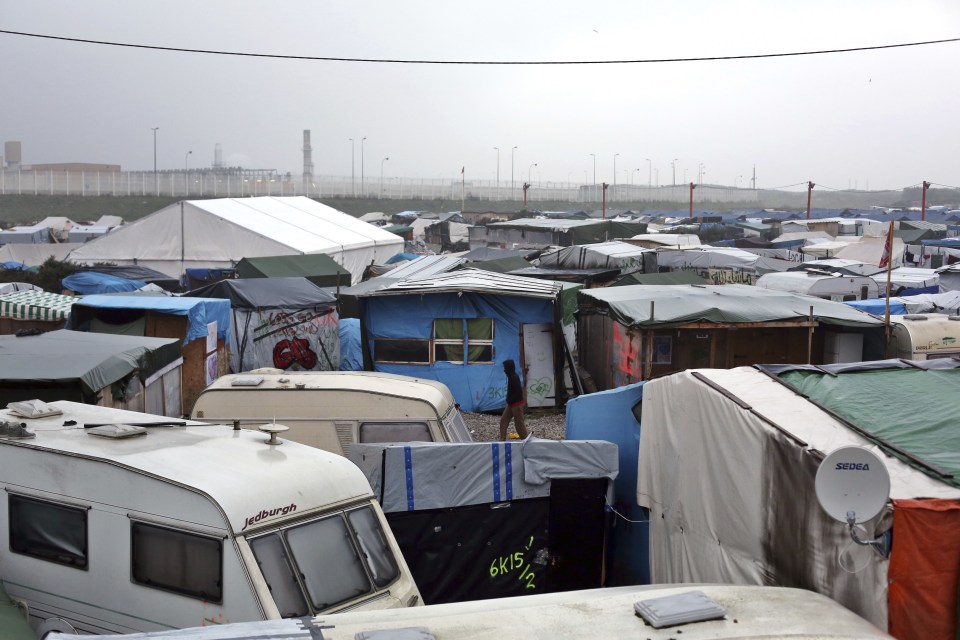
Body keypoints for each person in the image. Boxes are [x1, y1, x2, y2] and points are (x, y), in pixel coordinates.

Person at [499, 359, 528, 440]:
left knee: (519, 424)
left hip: (516, 404)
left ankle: (525, 440)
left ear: (509, 368)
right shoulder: (511, 376)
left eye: (505, 368)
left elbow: (518, 393)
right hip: (511, 404)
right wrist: (509, 401)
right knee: (503, 421)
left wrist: (510, 400)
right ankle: (502, 440)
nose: (504, 370)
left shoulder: (514, 377)